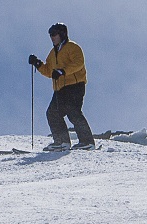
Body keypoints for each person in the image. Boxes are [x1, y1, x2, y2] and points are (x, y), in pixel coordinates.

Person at [28, 23, 96, 152]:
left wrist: (62, 71)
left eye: (54, 34)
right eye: (50, 35)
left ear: (62, 34)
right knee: (52, 113)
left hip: (74, 85)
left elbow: (78, 63)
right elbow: (49, 71)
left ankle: (87, 142)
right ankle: (62, 142)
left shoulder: (72, 47)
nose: (52, 37)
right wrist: (37, 64)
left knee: (73, 111)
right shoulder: (52, 54)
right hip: (60, 89)